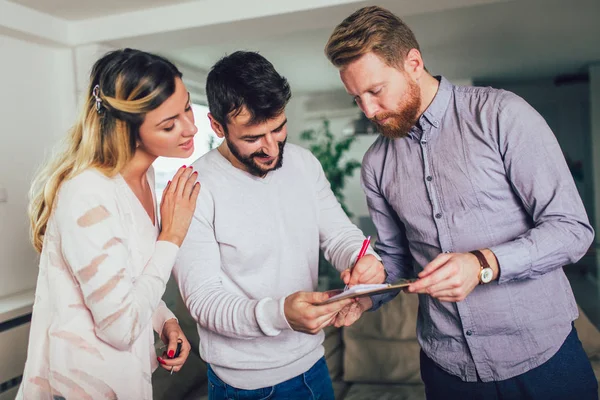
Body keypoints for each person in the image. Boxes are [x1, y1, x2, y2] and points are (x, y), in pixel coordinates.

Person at [325, 6, 598, 400]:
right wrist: (367, 291)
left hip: (543, 361)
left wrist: (482, 264)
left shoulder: (502, 115)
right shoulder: (376, 164)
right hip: (446, 370)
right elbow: (397, 259)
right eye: (356, 99)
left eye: (375, 90)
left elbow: (572, 230)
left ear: (413, 63)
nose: (368, 110)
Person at [174, 50, 385, 399]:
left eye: (279, 128)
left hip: (314, 366)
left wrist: (363, 260)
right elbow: (204, 302)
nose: (272, 148)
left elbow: (339, 234)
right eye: (253, 137)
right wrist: (280, 314)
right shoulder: (193, 187)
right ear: (216, 126)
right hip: (245, 386)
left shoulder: (303, 162)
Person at [18, 48, 200, 400]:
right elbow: (119, 327)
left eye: (188, 107)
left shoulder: (144, 179)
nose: (190, 127)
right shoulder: (87, 193)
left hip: (124, 383)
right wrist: (172, 236)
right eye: (169, 123)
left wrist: (165, 321)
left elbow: (124, 281)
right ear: (129, 130)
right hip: (79, 389)